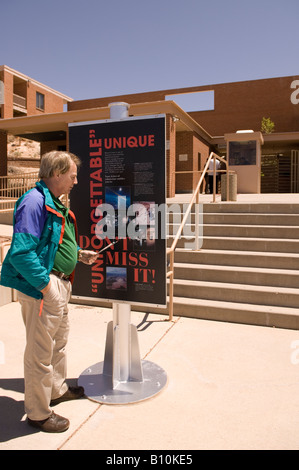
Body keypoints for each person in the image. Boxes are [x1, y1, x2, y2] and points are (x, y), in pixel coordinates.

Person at [0, 151, 98, 433]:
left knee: (58, 344)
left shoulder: (53, 201)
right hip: (45, 288)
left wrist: (78, 255)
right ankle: (39, 413)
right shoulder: (33, 201)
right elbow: (21, 253)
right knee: (40, 354)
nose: (76, 181)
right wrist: (46, 287)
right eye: (72, 175)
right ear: (56, 173)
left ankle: (56, 390)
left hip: (60, 283)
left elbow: (50, 244)